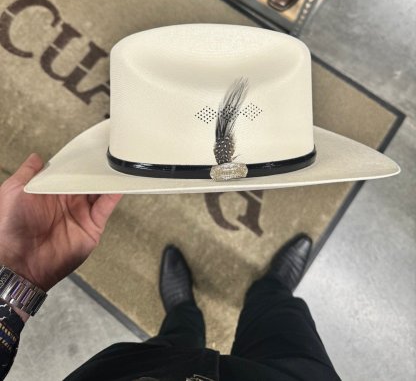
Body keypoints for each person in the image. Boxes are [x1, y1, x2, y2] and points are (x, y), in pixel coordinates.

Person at [0, 154, 341, 381]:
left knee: (176, 338)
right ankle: (272, 291)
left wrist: (17, 274)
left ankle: (187, 309)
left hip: (141, 373)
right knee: (286, 329)